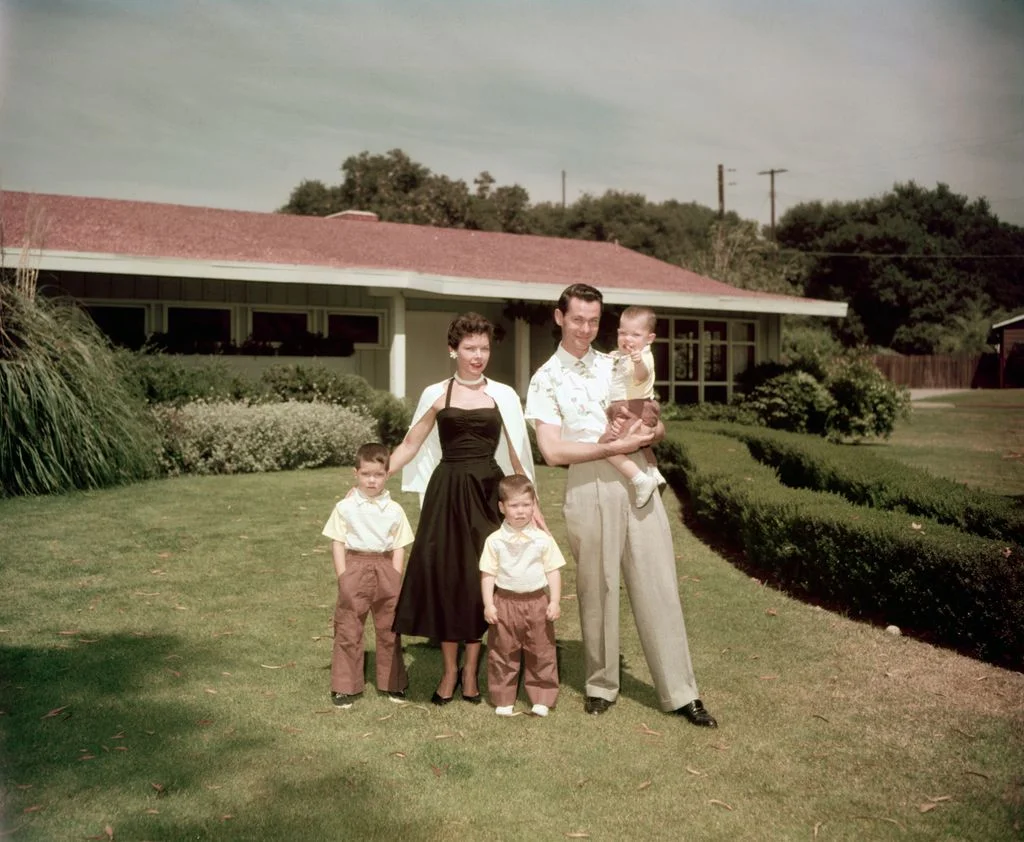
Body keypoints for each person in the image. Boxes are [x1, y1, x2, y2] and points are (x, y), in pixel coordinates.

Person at [525, 283, 718, 728]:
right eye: (577, 319)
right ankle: (600, 685)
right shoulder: (545, 378)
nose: (586, 329)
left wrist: (648, 433)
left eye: (594, 321)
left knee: (659, 585)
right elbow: (553, 452)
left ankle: (681, 692)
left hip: (639, 482)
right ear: (559, 318)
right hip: (588, 486)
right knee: (598, 588)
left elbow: (655, 421)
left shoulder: (620, 361)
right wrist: (615, 446)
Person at [390, 312, 537, 705]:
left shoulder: (502, 395)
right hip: (447, 492)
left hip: (487, 492)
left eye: (484, 348)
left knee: (481, 576)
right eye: (469, 348)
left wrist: (533, 509)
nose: (477, 355)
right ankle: (449, 671)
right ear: (452, 349)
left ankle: (472, 672)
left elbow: (517, 457)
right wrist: (377, 472)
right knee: (448, 579)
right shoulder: (436, 394)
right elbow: (411, 444)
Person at [321, 442, 415, 709]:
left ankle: (393, 683)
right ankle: (344, 686)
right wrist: (344, 576)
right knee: (349, 628)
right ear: (356, 473)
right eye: (366, 474)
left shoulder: (394, 509)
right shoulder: (345, 507)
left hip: (385, 568)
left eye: (378, 474)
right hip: (355, 565)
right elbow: (338, 542)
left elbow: (399, 545)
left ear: (387, 474)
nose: (372, 480)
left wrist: (395, 575)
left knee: (389, 628)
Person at [480, 474, 565, 718]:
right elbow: (488, 573)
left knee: (541, 651)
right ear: (502, 507)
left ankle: (542, 696)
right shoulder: (494, 541)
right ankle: (504, 698)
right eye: (514, 505)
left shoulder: (542, 539)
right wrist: (488, 604)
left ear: (533, 506)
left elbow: (553, 571)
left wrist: (555, 600)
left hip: (537, 602)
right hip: (504, 602)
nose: (521, 511)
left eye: (527, 505)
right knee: (503, 652)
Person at [601, 305, 664, 508]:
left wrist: (637, 361)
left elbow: (642, 375)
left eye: (635, 334)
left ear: (650, 339)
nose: (628, 339)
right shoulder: (622, 355)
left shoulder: (643, 357)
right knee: (640, 441)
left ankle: (640, 480)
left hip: (636, 406)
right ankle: (654, 472)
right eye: (623, 333)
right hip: (632, 405)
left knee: (607, 445)